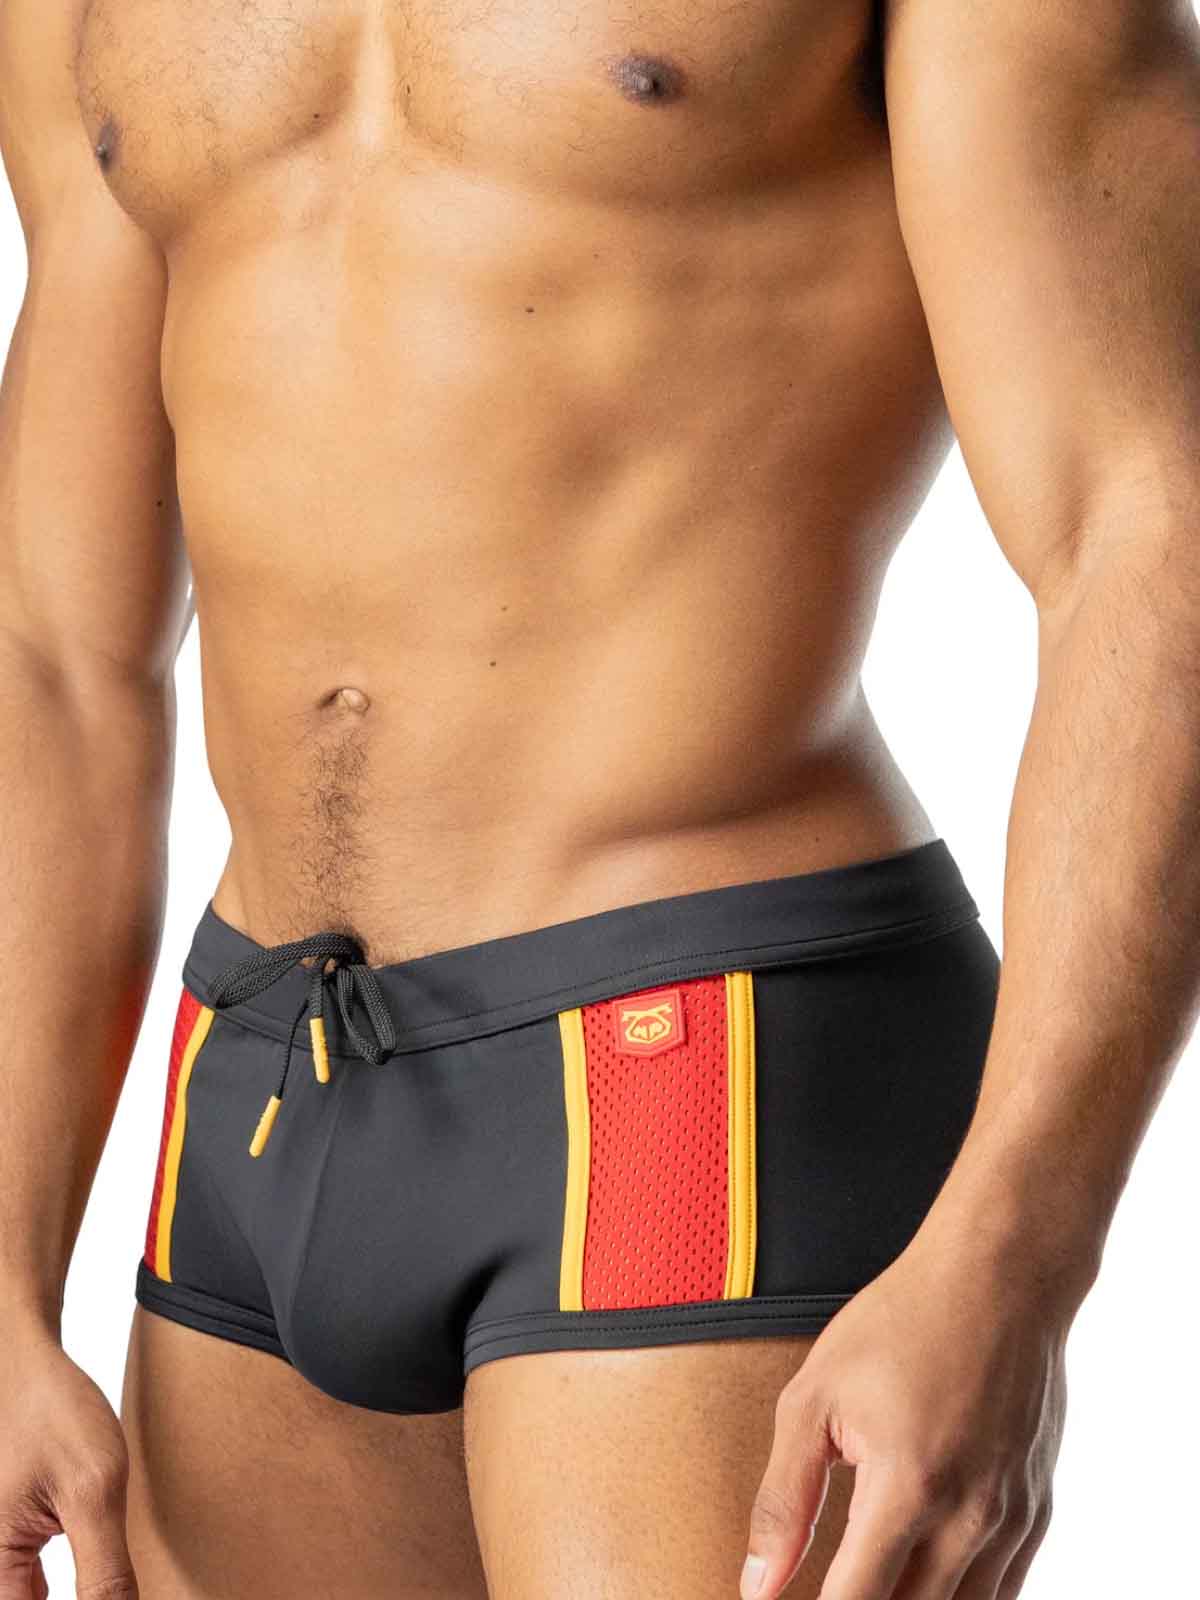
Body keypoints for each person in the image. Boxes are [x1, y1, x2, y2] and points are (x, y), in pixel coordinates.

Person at [1, 0, 1197, 1596]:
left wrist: (1019, 1257)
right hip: (262, 1067)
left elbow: (1148, 529)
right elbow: (58, 648)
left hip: (698, 1051)